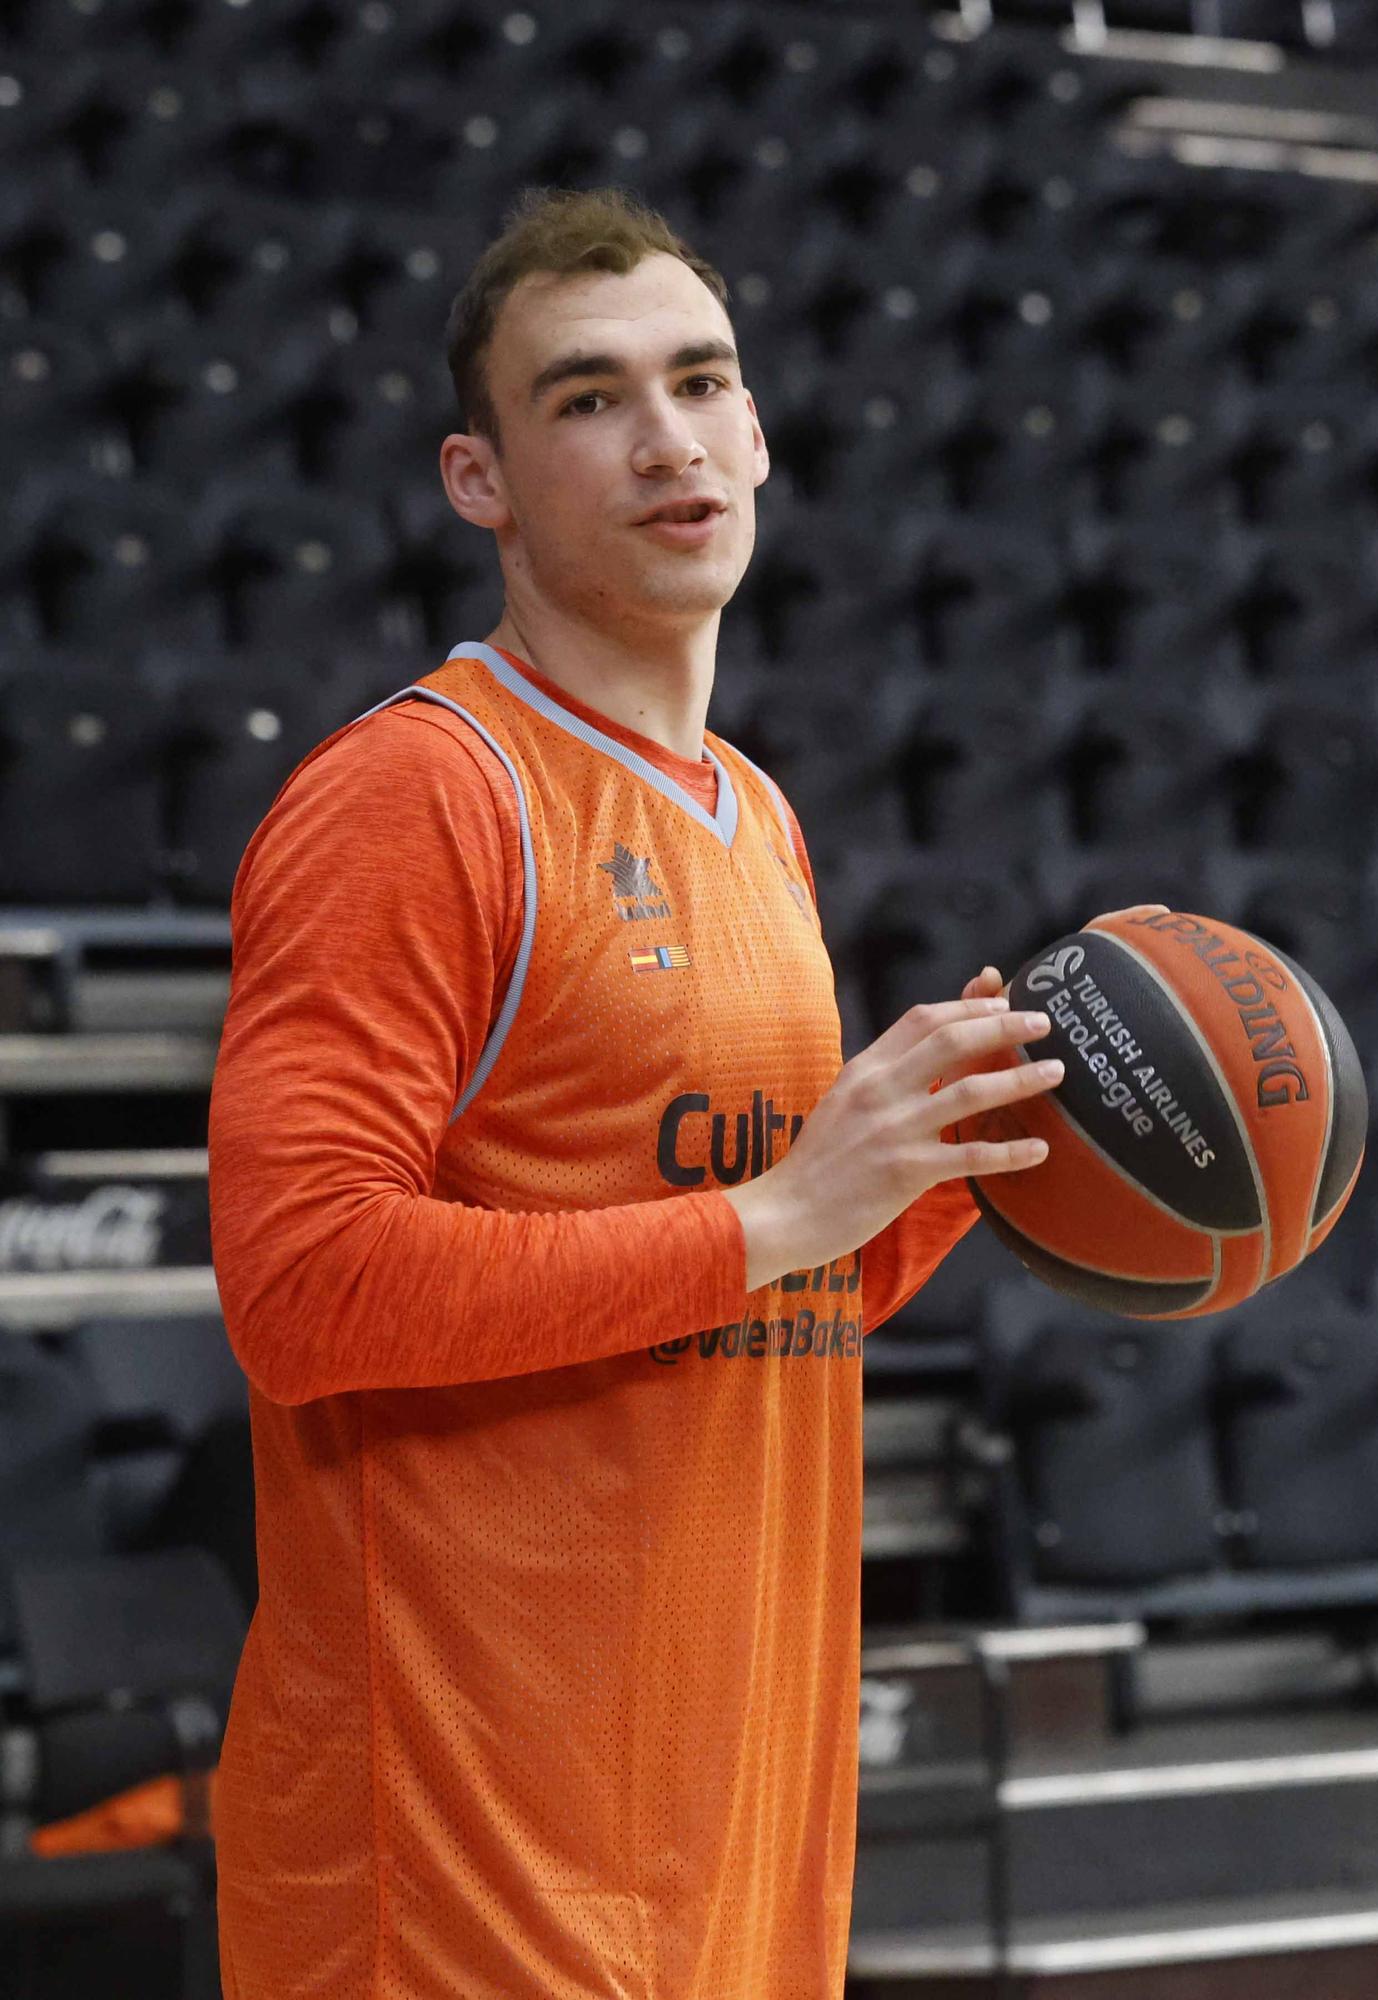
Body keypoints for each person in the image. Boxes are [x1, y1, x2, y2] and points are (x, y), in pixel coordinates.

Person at [206, 185, 1138, 1999]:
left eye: (701, 382)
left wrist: (941, 1170)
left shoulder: (755, 814)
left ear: (763, 436)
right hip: (463, 1877)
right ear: (476, 480)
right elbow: (300, 1288)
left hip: (729, 1842)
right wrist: (785, 1207)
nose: (665, 440)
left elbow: (756, 1297)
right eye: (586, 399)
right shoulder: (419, 798)